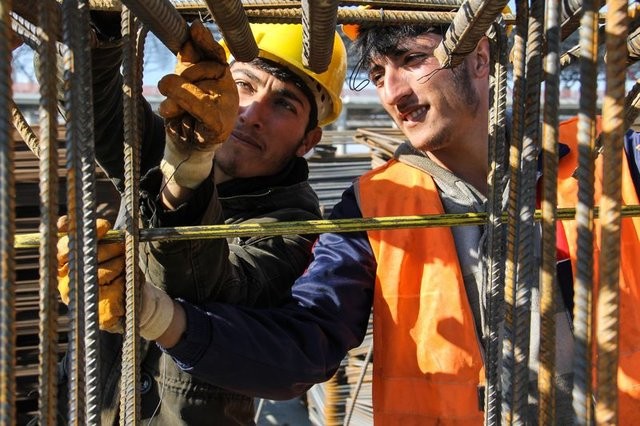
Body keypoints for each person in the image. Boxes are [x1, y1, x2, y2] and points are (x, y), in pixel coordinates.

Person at [96, 21, 640, 424]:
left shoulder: (615, 157)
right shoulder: (374, 204)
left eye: (411, 60)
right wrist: (154, 313)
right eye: (379, 72)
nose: (393, 92)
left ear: (480, 56)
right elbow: (304, 344)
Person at [54, 14, 348, 425]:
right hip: (82, 407)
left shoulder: (293, 225)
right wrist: (98, 28)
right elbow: (91, 99)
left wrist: (187, 171)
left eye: (284, 103)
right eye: (243, 85)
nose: (251, 113)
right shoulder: (159, 147)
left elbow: (211, 287)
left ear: (308, 141)